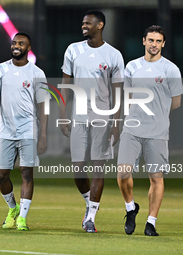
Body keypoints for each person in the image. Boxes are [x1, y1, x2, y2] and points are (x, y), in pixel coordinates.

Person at [59, 10, 124, 232]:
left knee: (98, 168)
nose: (83, 26)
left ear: (100, 25)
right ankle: (89, 202)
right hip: (78, 117)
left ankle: (91, 218)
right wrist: (62, 115)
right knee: (78, 169)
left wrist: (116, 123)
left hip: (102, 119)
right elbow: (66, 85)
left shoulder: (113, 55)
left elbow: (118, 93)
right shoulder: (73, 50)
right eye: (83, 23)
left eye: (88, 23)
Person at [117, 25, 182, 236]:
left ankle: (151, 223)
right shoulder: (132, 66)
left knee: (156, 178)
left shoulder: (171, 69)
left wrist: (157, 114)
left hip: (158, 132)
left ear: (163, 43)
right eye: (150, 40)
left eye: (158, 41)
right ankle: (130, 208)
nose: (154, 44)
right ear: (143, 41)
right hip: (132, 129)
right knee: (123, 172)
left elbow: (176, 102)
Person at [0, 32, 48, 231]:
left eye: (21, 43)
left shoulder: (37, 73)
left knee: (26, 172)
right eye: (14, 43)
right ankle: (13, 208)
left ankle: (22, 218)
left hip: (28, 129)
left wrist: (43, 135)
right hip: (5, 131)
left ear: (29, 48)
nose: (16, 46)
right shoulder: (1, 69)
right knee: (2, 174)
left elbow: (43, 105)